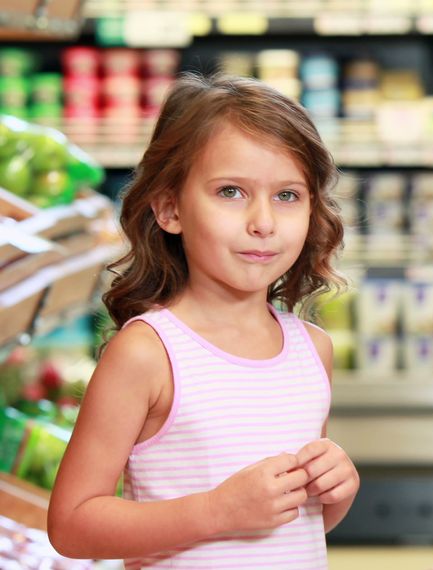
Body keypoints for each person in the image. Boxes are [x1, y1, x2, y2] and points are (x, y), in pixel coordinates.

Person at [47, 73, 358, 568]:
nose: (263, 221)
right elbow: (72, 525)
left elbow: (285, 524)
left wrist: (334, 492)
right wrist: (217, 510)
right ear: (170, 208)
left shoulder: (312, 349)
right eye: (231, 191)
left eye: (287, 195)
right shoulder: (148, 353)